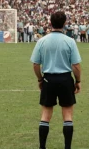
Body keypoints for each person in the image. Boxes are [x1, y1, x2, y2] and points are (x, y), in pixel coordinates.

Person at [30, 11, 82, 149]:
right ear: (65, 23)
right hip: (65, 79)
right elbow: (75, 66)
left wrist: (40, 79)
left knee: (46, 114)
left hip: (48, 79)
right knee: (68, 115)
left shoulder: (42, 41)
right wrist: (78, 81)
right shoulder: (70, 41)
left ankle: (42, 147)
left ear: (50, 23)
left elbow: (35, 64)